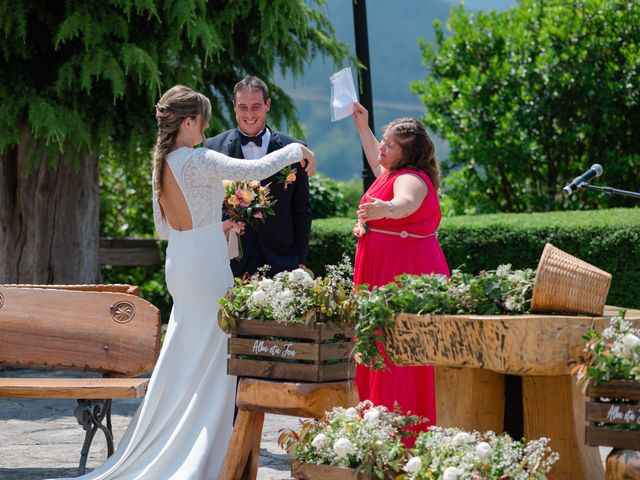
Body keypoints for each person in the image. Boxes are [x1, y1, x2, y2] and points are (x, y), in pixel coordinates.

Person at [53, 85, 315, 480]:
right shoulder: (199, 158)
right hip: (207, 265)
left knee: (186, 352)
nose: (207, 129)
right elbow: (254, 171)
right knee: (215, 359)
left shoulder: (162, 162)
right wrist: (298, 149)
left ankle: (174, 439)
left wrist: (215, 226)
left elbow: (166, 227)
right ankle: (202, 452)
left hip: (180, 261)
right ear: (189, 122)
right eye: (203, 121)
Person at [351, 101, 449, 435]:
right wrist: (363, 129)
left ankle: (401, 427)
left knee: (395, 352)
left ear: (406, 154)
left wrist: (387, 210)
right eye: (383, 140)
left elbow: (403, 202)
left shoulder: (412, 179)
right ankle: (377, 420)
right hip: (384, 268)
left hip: (400, 274)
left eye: (389, 145)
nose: (382, 147)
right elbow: (380, 171)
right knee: (379, 347)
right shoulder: (392, 173)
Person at [205, 76, 312, 277]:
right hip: (230, 260)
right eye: (243, 107)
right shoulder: (212, 149)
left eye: (256, 107)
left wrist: (300, 260)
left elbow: (302, 210)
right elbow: (206, 208)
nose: (249, 114)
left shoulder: (294, 150)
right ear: (234, 106)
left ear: (267, 105)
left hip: (282, 259)